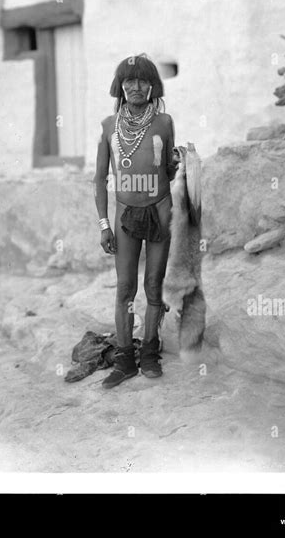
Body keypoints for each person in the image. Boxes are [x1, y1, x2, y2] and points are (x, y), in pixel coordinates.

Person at [94, 54, 180, 389]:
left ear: (152, 86)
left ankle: (149, 353)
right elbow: (99, 179)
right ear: (120, 86)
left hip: (160, 208)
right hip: (125, 214)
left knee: (154, 285)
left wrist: (177, 162)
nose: (136, 87)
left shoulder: (164, 123)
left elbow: (169, 173)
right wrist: (104, 224)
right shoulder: (107, 127)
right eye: (129, 81)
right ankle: (125, 358)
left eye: (143, 80)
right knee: (126, 287)